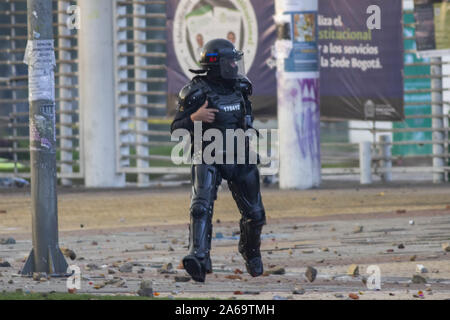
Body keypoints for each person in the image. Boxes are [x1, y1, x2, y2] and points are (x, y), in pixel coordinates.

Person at [170, 39, 266, 282]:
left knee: (255, 214)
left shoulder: (241, 86)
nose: (235, 65)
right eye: (230, 61)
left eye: (236, 60)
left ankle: (250, 251)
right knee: (200, 207)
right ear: (216, 65)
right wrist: (194, 117)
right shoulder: (196, 92)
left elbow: (247, 115)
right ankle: (198, 256)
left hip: (240, 155)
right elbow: (175, 128)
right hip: (208, 155)